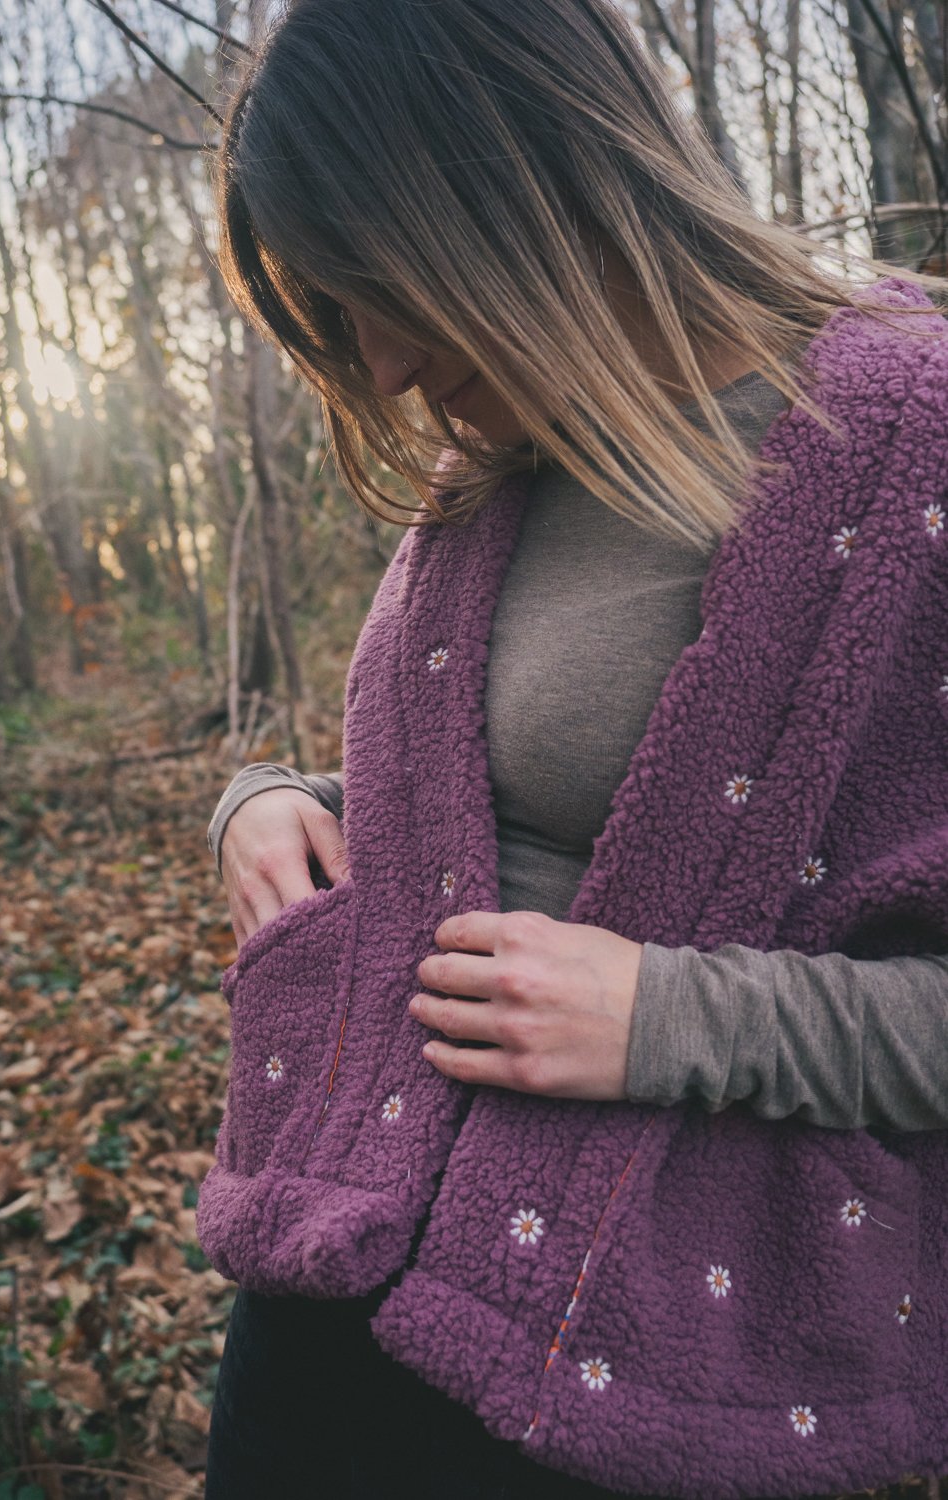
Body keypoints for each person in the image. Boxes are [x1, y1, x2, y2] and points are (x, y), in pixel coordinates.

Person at [197, 1, 948, 1496]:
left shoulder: (907, 442)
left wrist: (673, 1020)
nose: (383, 369)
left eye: (384, 289)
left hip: (644, 1371)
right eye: (340, 314)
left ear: (521, 182)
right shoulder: (498, 464)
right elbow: (502, 797)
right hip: (330, 1265)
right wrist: (272, 802)